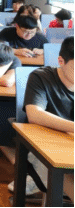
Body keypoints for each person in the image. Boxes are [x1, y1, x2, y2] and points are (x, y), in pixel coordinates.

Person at [21, 36, 74, 202]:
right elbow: (34, 114)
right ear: (61, 61)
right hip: (42, 150)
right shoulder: (41, 77)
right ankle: (34, 181)